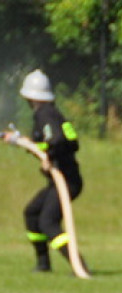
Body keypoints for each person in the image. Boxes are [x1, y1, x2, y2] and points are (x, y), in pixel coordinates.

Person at [2, 69, 86, 274]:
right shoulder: (52, 114)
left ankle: (78, 265)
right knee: (32, 213)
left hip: (66, 181)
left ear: (30, 97)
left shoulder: (44, 114)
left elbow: (55, 140)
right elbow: (72, 142)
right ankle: (43, 264)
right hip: (61, 180)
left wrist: (49, 156)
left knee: (48, 222)